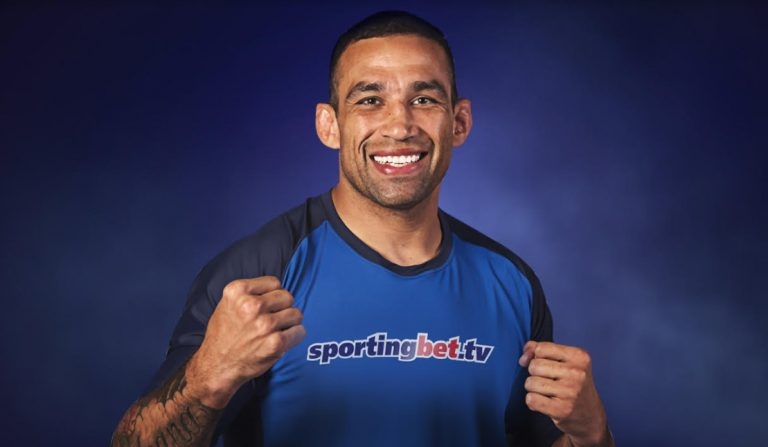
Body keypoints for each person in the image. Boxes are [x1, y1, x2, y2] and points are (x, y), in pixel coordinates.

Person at [112, 10, 614, 447]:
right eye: (370, 100)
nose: (400, 126)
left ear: (459, 122)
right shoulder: (261, 271)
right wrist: (208, 377)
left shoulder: (510, 283)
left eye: (424, 99)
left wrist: (592, 435)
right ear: (329, 125)